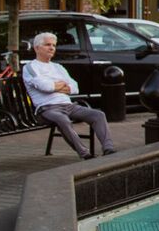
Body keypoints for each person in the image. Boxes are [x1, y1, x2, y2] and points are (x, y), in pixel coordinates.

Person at [22, 32, 115, 160]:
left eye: (54, 45)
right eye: (47, 45)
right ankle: (85, 154)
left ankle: (108, 149)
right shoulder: (30, 67)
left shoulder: (58, 67)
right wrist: (60, 86)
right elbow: (45, 87)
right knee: (63, 120)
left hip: (69, 106)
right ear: (37, 48)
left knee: (98, 115)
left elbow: (75, 87)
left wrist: (57, 86)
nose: (52, 48)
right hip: (47, 109)